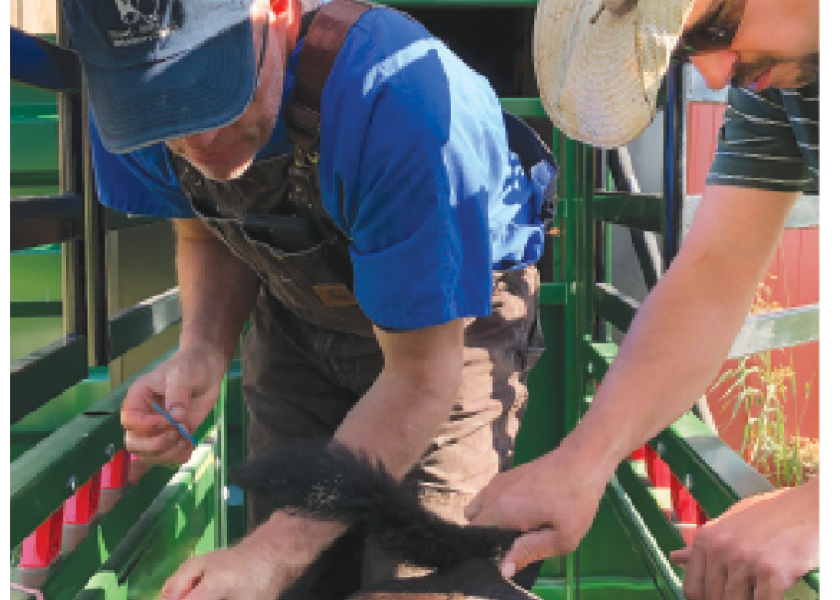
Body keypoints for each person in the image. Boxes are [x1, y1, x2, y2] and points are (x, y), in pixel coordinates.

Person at [61, 1, 555, 599]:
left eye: (212, 90)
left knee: (419, 580)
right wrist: (203, 349)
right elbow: (206, 219)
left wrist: (268, 556)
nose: (200, 136)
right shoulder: (130, 105)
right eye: (163, 109)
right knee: (298, 576)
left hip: (453, 326)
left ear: (278, 11)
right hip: (298, 314)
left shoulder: (400, 102)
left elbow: (421, 380)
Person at [466, 0, 819, 599]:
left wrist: (819, 507)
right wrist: (584, 460)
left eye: (716, 28)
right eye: (685, 50)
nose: (710, 74)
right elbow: (714, 273)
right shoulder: (782, 79)